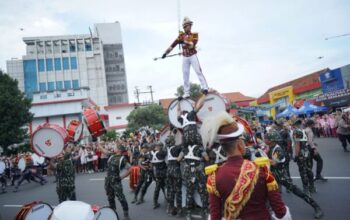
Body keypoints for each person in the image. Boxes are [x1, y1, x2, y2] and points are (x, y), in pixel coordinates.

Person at [201, 111, 290, 220]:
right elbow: (281, 212)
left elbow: (215, 217)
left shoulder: (213, 178)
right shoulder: (262, 170)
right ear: (239, 144)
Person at [265, 130, 323, 219]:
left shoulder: (277, 149)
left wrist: (267, 161)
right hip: (274, 176)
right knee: (268, 195)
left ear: (271, 140)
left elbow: (277, 162)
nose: (265, 139)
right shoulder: (271, 147)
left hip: (282, 177)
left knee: (298, 192)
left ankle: (317, 207)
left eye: (266, 138)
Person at [177, 94, 209, 219]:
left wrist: (179, 102)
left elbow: (178, 112)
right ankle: (205, 211)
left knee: (190, 192)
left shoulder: (181, 119)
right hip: (195, 141)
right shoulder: (190, 115)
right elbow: (199, 106)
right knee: (202, 191)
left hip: (185, 142)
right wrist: (204, 95)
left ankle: (189, 213)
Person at [162, 17, 208, 98]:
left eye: (189, 25)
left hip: (192, 56)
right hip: (185, 57)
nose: (188, 27)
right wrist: (165, 53)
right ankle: (186, 93)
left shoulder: (195, 35)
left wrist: (183, 41)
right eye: (186, 26)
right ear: (184, 27)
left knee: (198, 71)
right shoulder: (181, 36)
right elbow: (172, 46)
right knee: (185, 74)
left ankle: (205, 87)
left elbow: (192, 45)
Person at [101, 144, 131, 220]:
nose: (114, 148)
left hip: (116, 181)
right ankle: (113, 213)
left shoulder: (122, 159)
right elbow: (104, 151)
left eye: (116, 147)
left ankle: (126, 214)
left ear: (119, 150)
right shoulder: (112, 155)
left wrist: (122, 177)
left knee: (121, 198)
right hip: (108, 181)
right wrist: (98, 144)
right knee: (110, 198)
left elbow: (130, 169)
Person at [293, 119, 316, 196]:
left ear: (294, 124)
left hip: (301, 153)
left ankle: (306, 189)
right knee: (309, 169)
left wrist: (296, 155)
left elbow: (297, 144)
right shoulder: (303, 130)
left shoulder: (296, 131)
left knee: (303, 171)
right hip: (307, 151)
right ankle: (312, 187)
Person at [165, 130, 183, 216]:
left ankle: (171, 209)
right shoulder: (176, 148)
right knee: (178, 191)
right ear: (173, 141)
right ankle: (179, 211)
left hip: (169, 170)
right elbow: (184, 144)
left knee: (171, 190)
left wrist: (172, 134)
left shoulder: (167, 148)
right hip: (176, 170)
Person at [150, 142, 167, 209]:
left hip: (156, 173)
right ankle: (168, 199)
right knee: (166, 186)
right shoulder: (161, 153)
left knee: (157, 187)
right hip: (164, 172)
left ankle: (155, 202)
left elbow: (151, 165)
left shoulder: (150, 154)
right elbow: (166, 151)